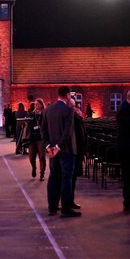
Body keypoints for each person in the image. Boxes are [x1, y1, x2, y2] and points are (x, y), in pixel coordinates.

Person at [41, 86, 80, 218]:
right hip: (66, 150)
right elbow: (67, 132)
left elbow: (43, 130)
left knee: (53, 178)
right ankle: (66, 208)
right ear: (68, 95)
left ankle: (52, 207)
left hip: (52, 150)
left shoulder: (48, 110)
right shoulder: (68, 110)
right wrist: (58, 147)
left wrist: (48, 146)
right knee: (66, 179)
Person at [70, 98, 87, 210]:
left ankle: (68, 201)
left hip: (75, 152)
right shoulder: (73, 118)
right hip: (73, 152)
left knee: (70, 179)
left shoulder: (76, 117)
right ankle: (68, 202)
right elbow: (80, 136)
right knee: (70, 179)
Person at [27, 98, 46, 181]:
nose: (36, 105)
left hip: (41, 138)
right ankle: (34, 167)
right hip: (32, 138)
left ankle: (42, 173)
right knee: (31, 157)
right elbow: (29, 125)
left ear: (41, 105)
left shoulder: (44, 114)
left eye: (37, 104)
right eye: (35, 104)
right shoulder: (31, 114)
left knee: (42, 157)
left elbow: (45, 124)